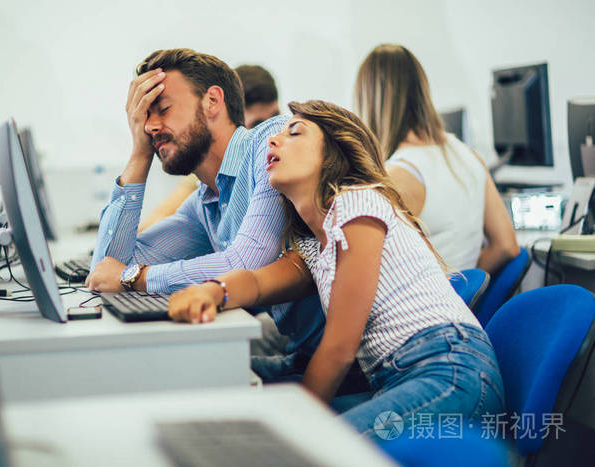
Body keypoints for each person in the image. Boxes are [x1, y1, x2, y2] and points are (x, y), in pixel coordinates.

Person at [167, 100, 505, 435]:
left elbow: (339, 349)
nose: (273, 140)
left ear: (332, 153)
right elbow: (255, 282)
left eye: (295, 133)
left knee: (309, 449)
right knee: (236, 383)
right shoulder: (316, 244)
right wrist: (211, 291)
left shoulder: (355, 203)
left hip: (449, 371)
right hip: (398, 378)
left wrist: (299, 432)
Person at [85, 49, 325, 374]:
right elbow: (108, 270)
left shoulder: (272, 143)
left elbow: (245, 263)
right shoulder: (205, 202)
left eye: (163, 109)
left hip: (358, 364)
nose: (152, 126)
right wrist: (140, 153)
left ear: (212, 101)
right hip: (303, 354)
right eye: (145, 118)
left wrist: (135, 279)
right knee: (179, 379)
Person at [355, 44, 519, 274]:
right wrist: (463, 286)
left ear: (369, 100)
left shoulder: (399, 174)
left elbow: (368, 269)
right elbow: (506, 246)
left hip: (418, 307)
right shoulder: (467, 154)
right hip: (455, 304)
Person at [137, 64, 280, 233]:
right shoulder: (205, 180)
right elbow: (155, 223)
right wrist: (139, 154)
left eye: (274, 118)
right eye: (257, 125)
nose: (272, 135)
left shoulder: (280, 164)